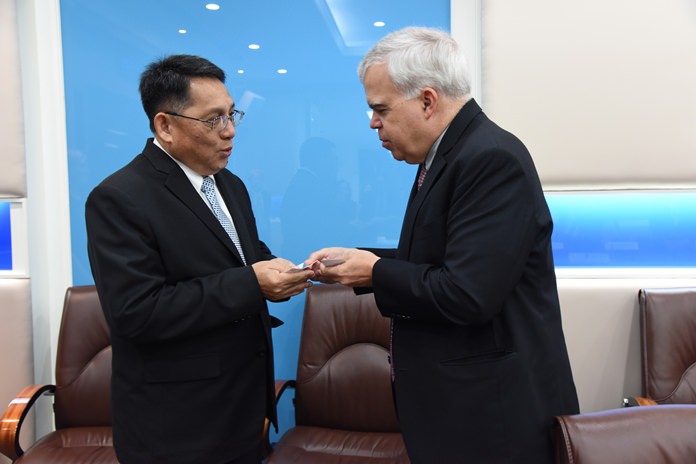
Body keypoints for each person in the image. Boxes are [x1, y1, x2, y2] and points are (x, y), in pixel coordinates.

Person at [307, 27, 579, 463]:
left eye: (380, 109)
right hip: (460, 409)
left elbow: (467, 292)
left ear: (427, 101)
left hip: (492, 420)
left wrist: (374, 272)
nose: (374, 123)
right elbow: (441, 259)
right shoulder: (446, 156)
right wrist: (363, 261)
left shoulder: (491, 158)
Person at [85, 54, 313, 464]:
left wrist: (289, 271)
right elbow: (137, 312)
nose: (229, 132)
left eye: (232, 115)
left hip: (240, 409)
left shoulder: (229, 184)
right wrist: (253, 283)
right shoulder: (120, 197)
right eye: (213, 120)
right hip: (175, 425)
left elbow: (242, 254)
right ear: (165, 125)